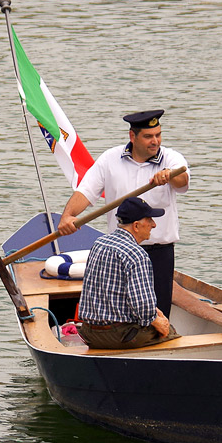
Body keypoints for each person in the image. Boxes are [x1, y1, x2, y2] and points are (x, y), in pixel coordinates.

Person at [56, 109, 190, 318]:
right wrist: (68, 216)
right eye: (148, 136)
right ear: (132, 136)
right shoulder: (110, 159)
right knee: (120, 311)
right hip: (120, 252)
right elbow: (86, 191)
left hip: (158, 254)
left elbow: (182, 181)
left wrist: (170, 176)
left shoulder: (171, 159)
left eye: (158, 135)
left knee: (158, 314)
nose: (155, 141)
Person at [77, 197, 180, 350]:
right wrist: (158, 322)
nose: (154, 224)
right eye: (149, 220)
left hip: (89, 334)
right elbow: (143, 308)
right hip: (118, 336)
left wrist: (153, 312)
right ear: (136, 226)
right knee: (169, 332)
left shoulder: (99, 243)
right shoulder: (137, 255)